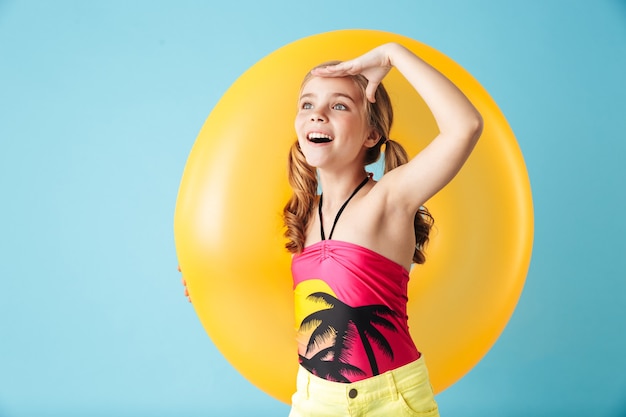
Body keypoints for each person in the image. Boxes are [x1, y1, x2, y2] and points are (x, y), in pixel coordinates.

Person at [183, 42, 482, 417]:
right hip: (313, 397)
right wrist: (212, 291)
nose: (317, 114)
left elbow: (466, 126)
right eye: (307, 104)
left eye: (339, 105)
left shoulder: (389, 199)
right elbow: (303, 302)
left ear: (371, 135)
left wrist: (392, 55)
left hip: (387, 400)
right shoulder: (305, 213)